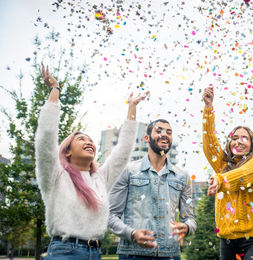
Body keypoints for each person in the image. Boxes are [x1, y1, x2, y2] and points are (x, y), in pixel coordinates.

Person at [36, 64, 148, 259]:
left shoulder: (99, 179)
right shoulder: (55, 176)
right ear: (67, 151)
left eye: (91, 140)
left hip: (95, 253)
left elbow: (123, 152)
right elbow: (46, 137)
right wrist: (55, 90)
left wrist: (132, 108)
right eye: (81, 139)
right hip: (64, 252)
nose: (89, 142)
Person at [108, 118, 196, 260]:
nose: (164, 134)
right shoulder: (128, 171)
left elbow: (190, 219)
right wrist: (131, 233)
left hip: (170, 255)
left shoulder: (182, 176)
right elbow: (111, 215)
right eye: (159, 130)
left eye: (169, 132)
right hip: (133, 254)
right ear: (146, 138)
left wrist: (187, 228)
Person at [202, 87, 253, 260]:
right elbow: (210, 142)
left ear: (252, 144)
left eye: (244, 138)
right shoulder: (223, 165)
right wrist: (208, 108)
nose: (238, 142)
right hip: (226, 240)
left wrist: (219, 180)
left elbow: (243, 175)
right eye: (235, 138)